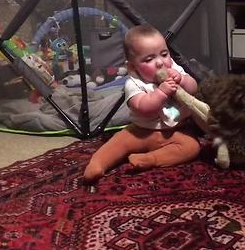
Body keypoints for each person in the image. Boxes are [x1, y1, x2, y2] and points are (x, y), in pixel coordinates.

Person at [83, 24, 200, 182]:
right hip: (140, 131)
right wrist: (161, 93)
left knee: (192, 147)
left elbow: (193, 88)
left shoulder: (175, 69)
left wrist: (183, 80)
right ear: (132, 66)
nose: (160, 62)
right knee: (118, 143)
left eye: (164, 54)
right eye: (149, 59)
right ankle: (97, 164)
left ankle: (151, 159)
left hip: (175, 132)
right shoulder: (133, 83)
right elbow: (143, 107)